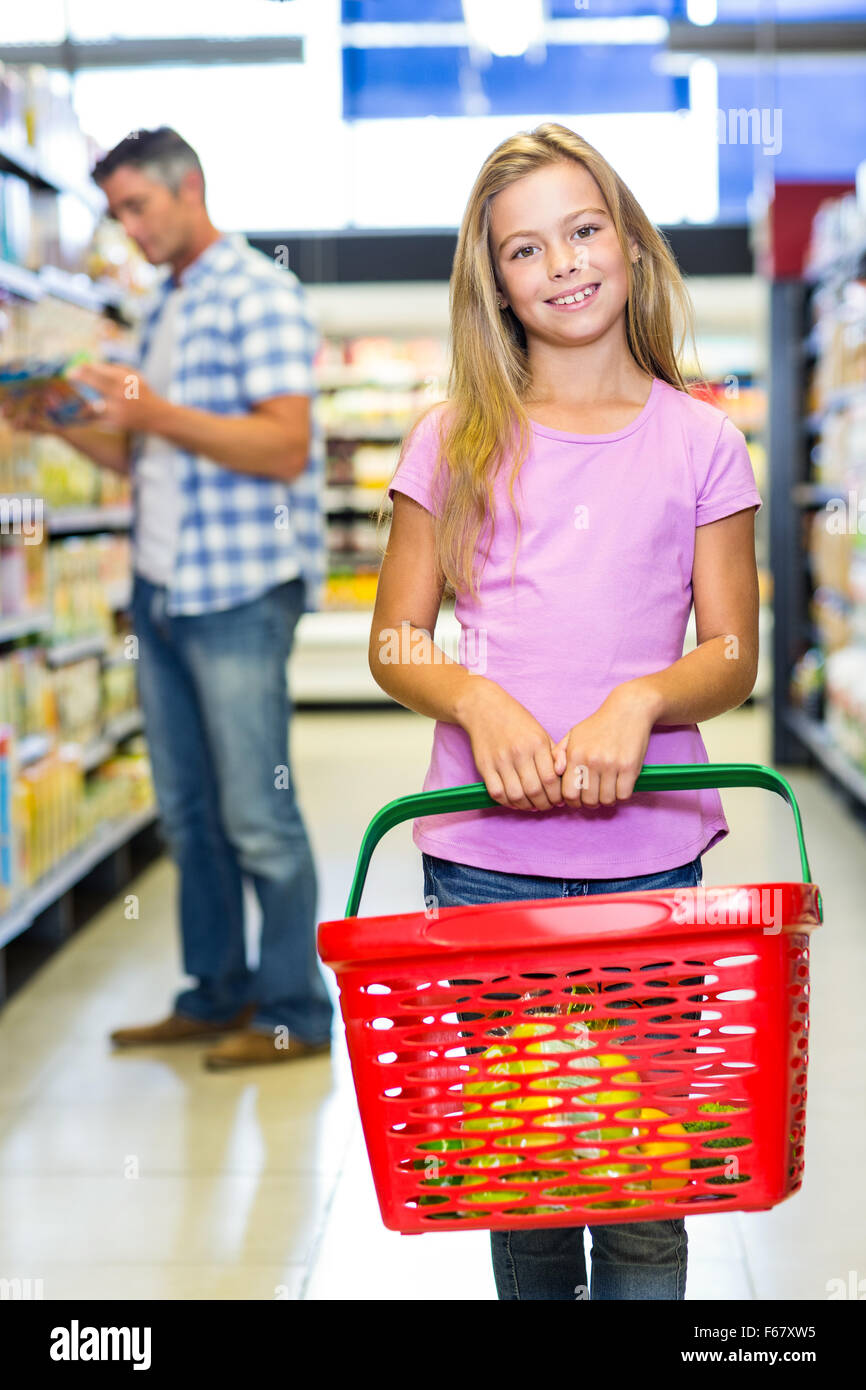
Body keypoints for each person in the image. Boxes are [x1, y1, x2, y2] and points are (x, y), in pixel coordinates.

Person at [368, 123, 761, 1299]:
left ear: (630, 246)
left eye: (583, 230)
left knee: (643, 1188)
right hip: (485, 860)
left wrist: (640, 698)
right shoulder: (452, 439)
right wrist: (471, 697)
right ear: (494, 282)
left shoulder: (698, 441)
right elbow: (397, 638)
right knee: (528, 1180)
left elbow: (731, 653)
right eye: (525, 248)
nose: (563, 263)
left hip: (649, 857)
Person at [11, 126, 334, 1069]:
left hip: (238, 592)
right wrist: (61, 425)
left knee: (255, 813)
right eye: (116, 213)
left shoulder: (258, 293)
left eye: (137, 206)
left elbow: (282, 445)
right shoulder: (162, 309)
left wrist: (149, 410)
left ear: (189, 187)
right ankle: (214, 991)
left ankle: (293, 1013)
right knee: (188, 814)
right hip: (161, 589)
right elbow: (143, 452)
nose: (129, 227)